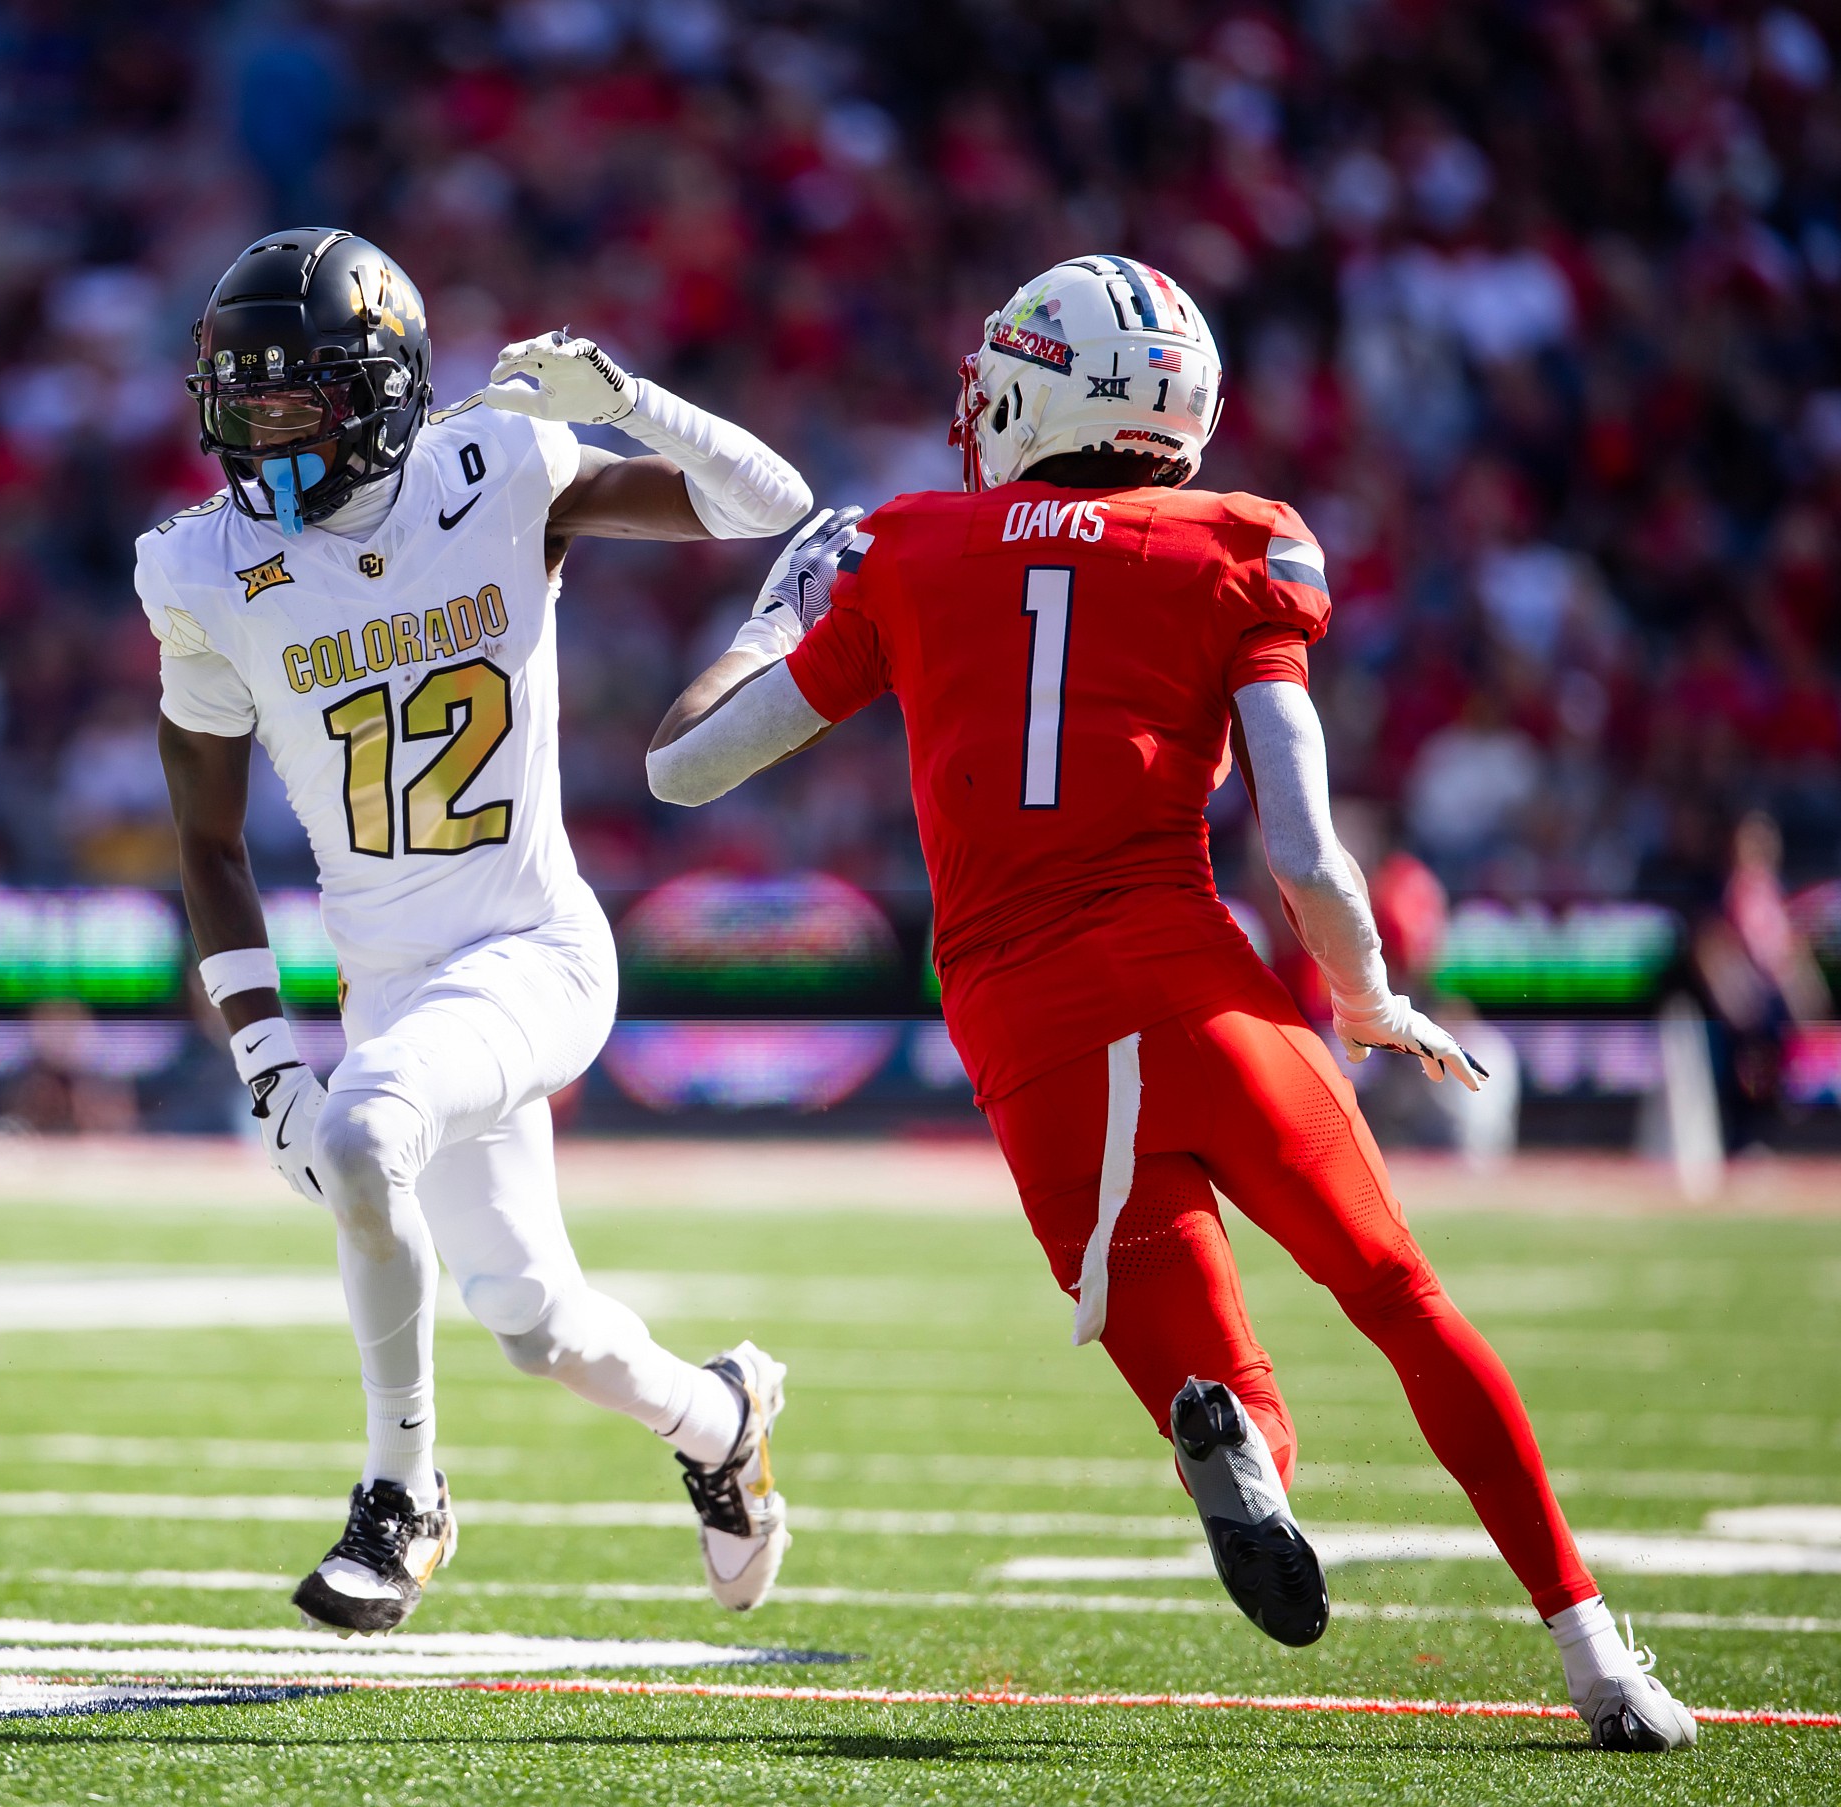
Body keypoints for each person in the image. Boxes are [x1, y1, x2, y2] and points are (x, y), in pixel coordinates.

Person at [645, 255, 1698, 1752]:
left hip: (1029, 1032)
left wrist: (770, 619)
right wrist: (1371, 999)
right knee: (1403, 1301)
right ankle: (1598, 1657)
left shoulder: (907, 548)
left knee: (1218, 1379)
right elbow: (1308, 853)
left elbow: (682, 772)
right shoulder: (1236, 546)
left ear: (1037, 388)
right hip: (1201, 989)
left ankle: (1241, 1450)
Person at [148, 228, 807, 1636]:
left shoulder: (496, 467)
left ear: (377, 392)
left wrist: (626, 399)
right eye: (237, 401)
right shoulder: (202, 571)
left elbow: (770, 501)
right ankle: (720, 1417)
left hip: (534, 949)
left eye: (287, 400)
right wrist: (266, 1058)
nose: (254, 431)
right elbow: (206, 840)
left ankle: (404, 1498)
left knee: (371, 1127)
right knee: (535, 1321)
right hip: (393, 987)